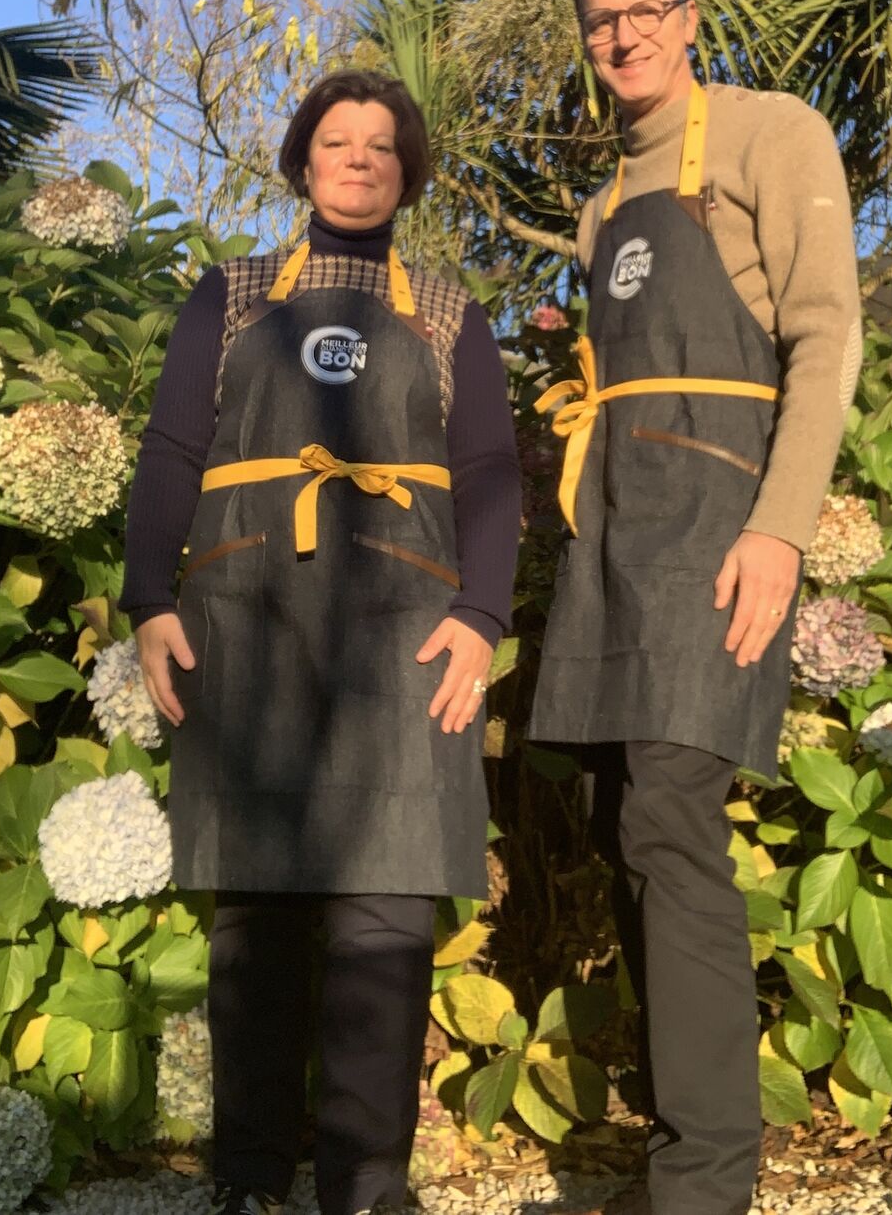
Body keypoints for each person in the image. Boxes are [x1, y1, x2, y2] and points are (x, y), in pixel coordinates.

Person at [121, 69, 521, 1215]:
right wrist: (152, 600)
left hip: (407, 632)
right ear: (301, 163)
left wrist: (480, 618)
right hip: (239, 619)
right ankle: (247, 1177)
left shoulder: (449, 314)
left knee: (388, 910)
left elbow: (491, 473)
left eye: (381, 145)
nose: (357, 158)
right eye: (335, 141)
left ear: (407, 172)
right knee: (255, 908)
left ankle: (366, 1183)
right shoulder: (232, 296)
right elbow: (170, 450)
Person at [531, 0, 860, 1215]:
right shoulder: (606, 198)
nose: (623, 37)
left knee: (670, 818)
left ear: (686, 14)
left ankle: (706, 1185)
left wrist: (778, 528)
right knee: (629, 828)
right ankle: (679, 1157)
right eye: (600, 22)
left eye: (644, 11)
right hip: (616, 529)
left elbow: (824, 335)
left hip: (721, 523)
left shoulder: (772, 134)